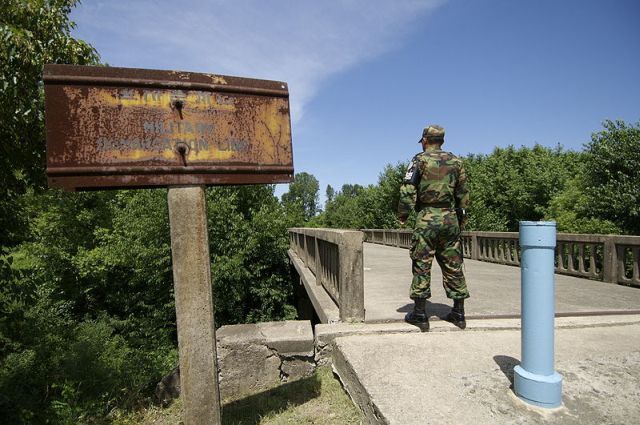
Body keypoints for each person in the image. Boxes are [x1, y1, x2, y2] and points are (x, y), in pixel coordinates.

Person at [397, 124, 470, 330]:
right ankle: (459, 313)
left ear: (425, 140)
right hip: (450, 219)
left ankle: (420, 314)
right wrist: (460, 220)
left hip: (427, 218)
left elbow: (407, 189)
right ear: (442, 141)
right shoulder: (457, 162)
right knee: (453, 264)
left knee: (421, 263)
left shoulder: (418, 161)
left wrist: (403, 214)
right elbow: (463, 194)